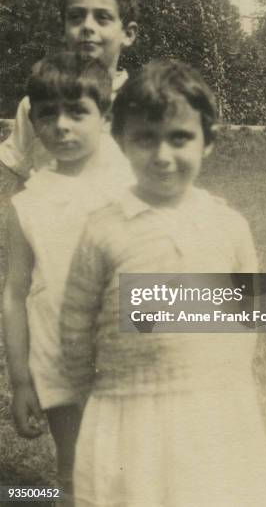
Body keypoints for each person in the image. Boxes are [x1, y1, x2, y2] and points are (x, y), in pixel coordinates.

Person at [61, 60, 266, 507]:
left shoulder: (227, 224)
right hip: (130, 408)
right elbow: (75, 325)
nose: (162, 156)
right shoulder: (103, 229)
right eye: (145, 138)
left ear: (208, 142)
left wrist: (229, 389)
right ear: (122, 142)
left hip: (214, 408)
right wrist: (96, 398)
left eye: (179, 138)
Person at [2, 53, 135, 506]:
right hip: (55, 357)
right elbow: (14, 294)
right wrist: (21, 380)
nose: (62, 125)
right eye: (48, 114)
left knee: (132, 467)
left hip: (123, 359)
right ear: (32, 121)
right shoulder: (27, 204)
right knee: (73, 473)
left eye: (77, 111)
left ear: (105, 118)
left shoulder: (129, 190)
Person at [0, 0, 138, 182]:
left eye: (102, 17)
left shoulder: (145, 102)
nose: (87, 26)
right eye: (75, 17)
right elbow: (16, 173)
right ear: (62, 31)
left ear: (128, 34)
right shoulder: (37, 104)